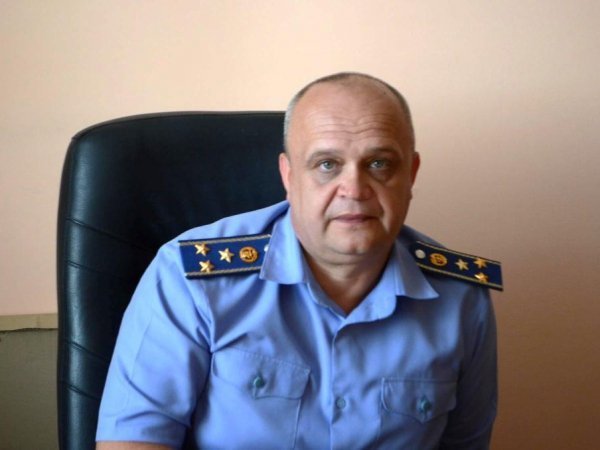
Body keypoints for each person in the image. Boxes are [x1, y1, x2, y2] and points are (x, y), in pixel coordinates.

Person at [96, 72, 502, 450]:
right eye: (327, 165)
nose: (354, 189)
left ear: (411, 175)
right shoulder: (191, 277)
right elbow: (132, 441)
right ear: (289, 177)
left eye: (379, 163)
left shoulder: (461, 297)